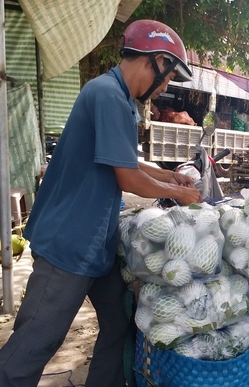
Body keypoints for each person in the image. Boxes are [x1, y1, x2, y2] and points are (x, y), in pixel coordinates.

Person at [0, 20, 202, 387]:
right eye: (169, 77)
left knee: (119, 319)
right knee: (36, 341)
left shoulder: (118, 98)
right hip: (69, 243)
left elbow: (121, 160)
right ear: (156, 62)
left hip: (95, 243)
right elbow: (126, 178)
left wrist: (168, 177)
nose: (165, 87)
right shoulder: (108, 95)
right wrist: (179, 194)